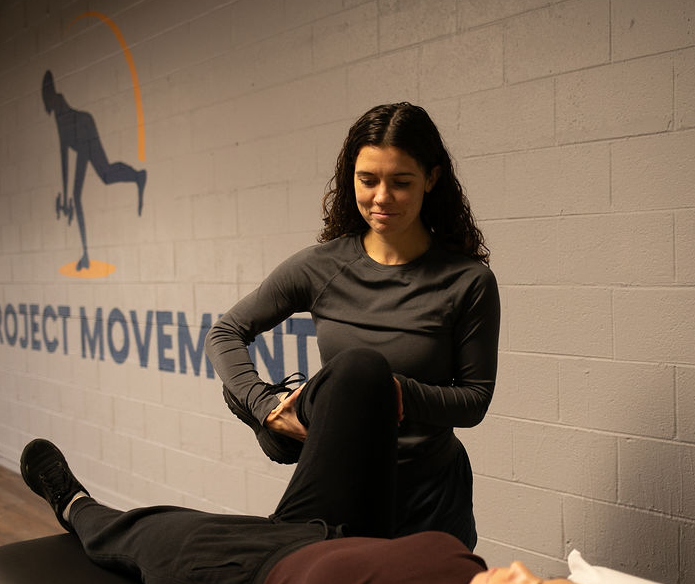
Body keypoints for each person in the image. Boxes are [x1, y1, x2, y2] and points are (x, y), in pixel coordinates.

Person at [19, 350, 670, 584]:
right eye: (545, 580)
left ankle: (74, 503)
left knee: (136, 531)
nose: (522, 571)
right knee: (360, 374)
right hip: (328, 532)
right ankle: (282, 420)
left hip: (240, 579)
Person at [205, 102, 500, 549]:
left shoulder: (468, 281)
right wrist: (264, 406)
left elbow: (473, 401)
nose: (382, 197)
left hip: (430, 497)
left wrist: (389, 391)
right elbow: (225, 333)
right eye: (368, 180)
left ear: (432, 179)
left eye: (401, 182)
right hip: (343, 483)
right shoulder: (321, 267)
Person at [41, 69, 147, 271]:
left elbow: (68, 149)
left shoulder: (63, 111)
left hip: (84, 132)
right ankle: (138, 176)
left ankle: (85, 254)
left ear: (51, 96)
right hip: (79, 137)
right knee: (106, 175)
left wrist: (68, 197)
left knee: (78, 194)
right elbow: (63, 154)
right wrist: (63, 198)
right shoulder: (57, 115)